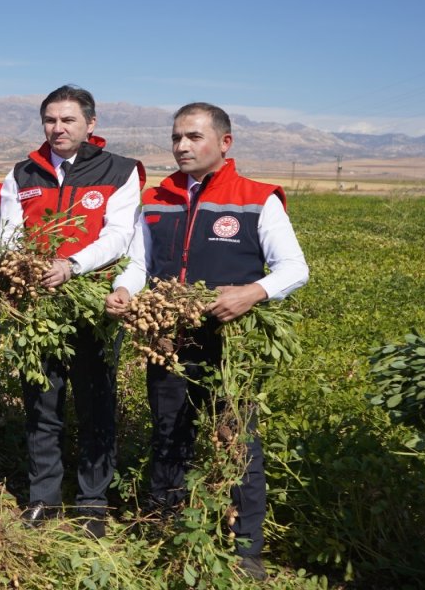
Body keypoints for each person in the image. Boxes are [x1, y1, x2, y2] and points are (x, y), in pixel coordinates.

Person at [108, 102, 308, 579]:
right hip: (169, 341)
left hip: (232, 344)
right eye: (177, 137)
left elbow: (294, 268)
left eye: (194, 137)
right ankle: (163, 529)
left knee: (236, 441)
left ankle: (246, 551)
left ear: (224, 143)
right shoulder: (155, 198)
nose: (182, 146)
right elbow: (140, 264)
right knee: (169, 433)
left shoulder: (258, 198)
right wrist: (123, 289)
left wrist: (253, 292)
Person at [0, 85, 144, 537]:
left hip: (94, 306)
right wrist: (19, 267)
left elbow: (120, 235)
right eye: (50, 120)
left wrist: (72, 265)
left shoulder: (120, 171)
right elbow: (7, 235)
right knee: (42, 403)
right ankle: (43, 498)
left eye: (68, 120)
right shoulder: (22, 173)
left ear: (91, 124)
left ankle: (92, 503)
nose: (58, 128)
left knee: (96, 403)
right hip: (38, 308)